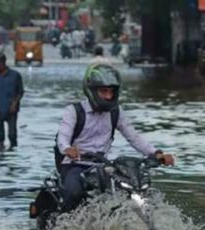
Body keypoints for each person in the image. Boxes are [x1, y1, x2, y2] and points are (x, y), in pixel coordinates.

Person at [56, 64, 174, 212]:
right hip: (75, 165)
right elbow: (63, 136)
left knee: (128, 191)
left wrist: (156, 153)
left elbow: (134, 138)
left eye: (111, 92)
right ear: (91, 90)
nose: (108, 96)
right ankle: (60, 227)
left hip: (103, 167)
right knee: (74, 193)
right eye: (103, 91)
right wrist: (67, 148)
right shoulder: (73, 111)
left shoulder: (116, 113)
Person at [0, 52, 24, 150]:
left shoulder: (15, 75)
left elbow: (20, 92)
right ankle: (0, 150)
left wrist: (14, 104)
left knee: (12, 135)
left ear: (3, 63)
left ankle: (12, 150)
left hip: (11, 108)